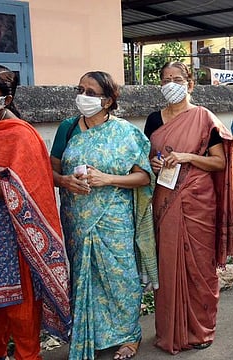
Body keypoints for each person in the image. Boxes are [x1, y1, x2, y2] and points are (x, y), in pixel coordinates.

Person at [50, 71, 158, 359]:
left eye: (91, 92)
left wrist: (108, 179)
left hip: (115, 218)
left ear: (108, 101)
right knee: (85, 277)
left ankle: (129, 335)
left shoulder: (126, 132)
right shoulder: (68, 128)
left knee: (120, 276)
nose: (82, 97)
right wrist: (65, 181)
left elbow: (144, 178)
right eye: (80, 89)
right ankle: (90, 334)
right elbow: (50, 171)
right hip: (78, 218)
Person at [0, 64, 71, 360]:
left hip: (13, 236)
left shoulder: (20, 134)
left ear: (6, 98)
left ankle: (28, 355)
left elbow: (27, 187)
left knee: (20, 304)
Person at [144, 61, 233, 354]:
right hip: (165, 196)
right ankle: (170, 330)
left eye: (177, 79)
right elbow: (148, 157)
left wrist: (187, 156)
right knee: (168, 264)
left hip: (198, 201)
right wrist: (154, 163)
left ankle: (200, 329)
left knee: (200, 266)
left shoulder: (204, 119)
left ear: (190, 84)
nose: (171, 83)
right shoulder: (153, 121)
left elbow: (219, 162)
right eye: (166, 79)